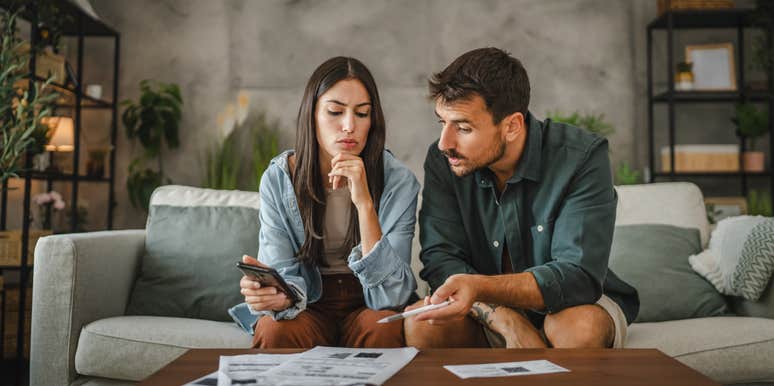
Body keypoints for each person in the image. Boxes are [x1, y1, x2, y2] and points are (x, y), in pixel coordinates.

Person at [404, 47, 639, 349]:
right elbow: (440, 260)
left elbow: (577, 276)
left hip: (573, 304)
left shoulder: (581, 157)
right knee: (422, 325)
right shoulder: (445, 161)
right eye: (442, 123)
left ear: (512, 125)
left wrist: (479, 287)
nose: (444, 143)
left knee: (577, 328)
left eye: (463, 127)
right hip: (486, 310)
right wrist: (504, 318)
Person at [228, 56, 419, 348]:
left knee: (382, 327)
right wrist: (278, 296)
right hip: (308, 300)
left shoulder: (398, 180)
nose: (349, 126)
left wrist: (365, 203)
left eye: (362, 114)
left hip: (368, 300)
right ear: (312, 115)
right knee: (275, 331)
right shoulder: (279, 180)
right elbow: (283, 271)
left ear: (373, 120)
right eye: (335, 111)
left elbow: (392, 296)